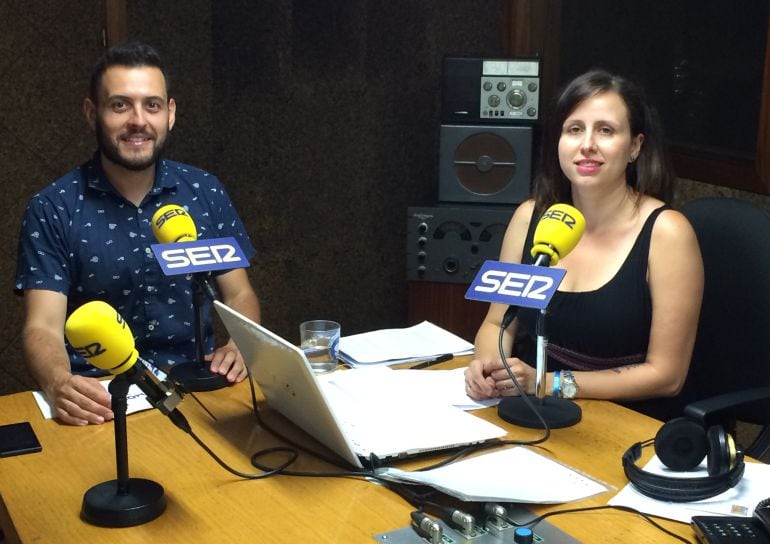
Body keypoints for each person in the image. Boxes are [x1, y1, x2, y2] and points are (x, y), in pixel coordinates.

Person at [15, 42, 261, 426]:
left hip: (199, 393)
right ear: (91, 113)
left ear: (171, 114)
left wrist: (243, 345)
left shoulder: (205, 191)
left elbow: (239, 293)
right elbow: (41, 325)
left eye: (152, 105)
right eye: (119, 105)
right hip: (101, 403)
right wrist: (58, 381)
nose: (138, 121)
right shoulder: (53, 207)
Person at [464, 69, 704, 418]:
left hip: (628, 423)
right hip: (534, 409)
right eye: (574, 129)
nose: (587, 144)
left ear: (635, 146)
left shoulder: (667, 233)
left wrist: (550, 383)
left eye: (605, 130)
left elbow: (667, 375)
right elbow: (497, 324)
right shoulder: (530, 218)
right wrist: (486, 367)